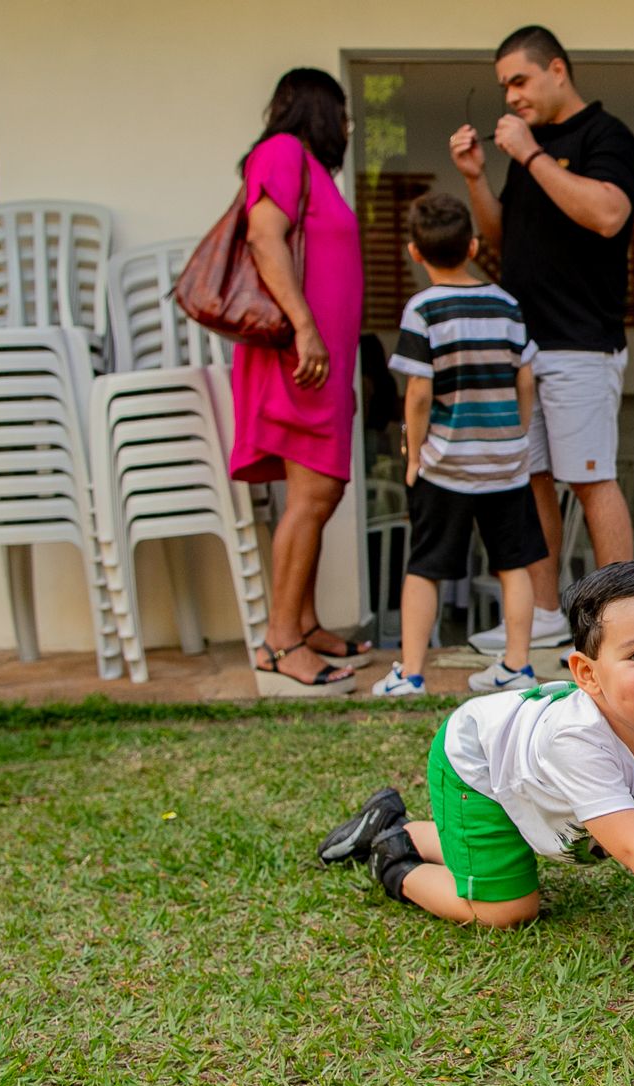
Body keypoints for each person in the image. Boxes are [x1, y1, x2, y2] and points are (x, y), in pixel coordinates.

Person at [317, 561, 634, 942]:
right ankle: (392, 860)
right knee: (507, 910)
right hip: (479, 764)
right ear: (587, 675)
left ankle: (396, 828)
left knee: (503, 856)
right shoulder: (577, 742)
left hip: (524, 773)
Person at [450, 26, 634, 656]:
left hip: (580, 342)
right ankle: (542, 615)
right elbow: (503, 240)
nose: (510, 96)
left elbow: (608, 213)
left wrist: (531, 153)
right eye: (504, 84)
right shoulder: (525, 149)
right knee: (530, 480)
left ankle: (626, 620)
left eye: (519, 80)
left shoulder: (605, 136)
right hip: (524, 347)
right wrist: (479, 178)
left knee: (590, 479)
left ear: (556, 69)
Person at [372, 193, 544, 698]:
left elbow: (420, 392)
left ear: (414, 252)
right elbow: (527, 377)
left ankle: (410, 672)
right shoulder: (506, 304)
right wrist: (518, 432)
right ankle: (517, 666)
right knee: (514, 564)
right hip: (505, 462)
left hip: (445, 463)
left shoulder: (421, 310)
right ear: (472, 245)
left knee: (425, 566)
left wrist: (413, 453)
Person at [232, 68, 368, 695]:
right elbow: (263, 237)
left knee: (324, 494)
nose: (345, 126)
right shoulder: (281, 153)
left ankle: (305, 624)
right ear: (317, 108)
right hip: (299, 356)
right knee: (310, 496)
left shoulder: (314, 172)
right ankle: (280, 640)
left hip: (323, 365)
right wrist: (306, 329)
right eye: (340, 112)